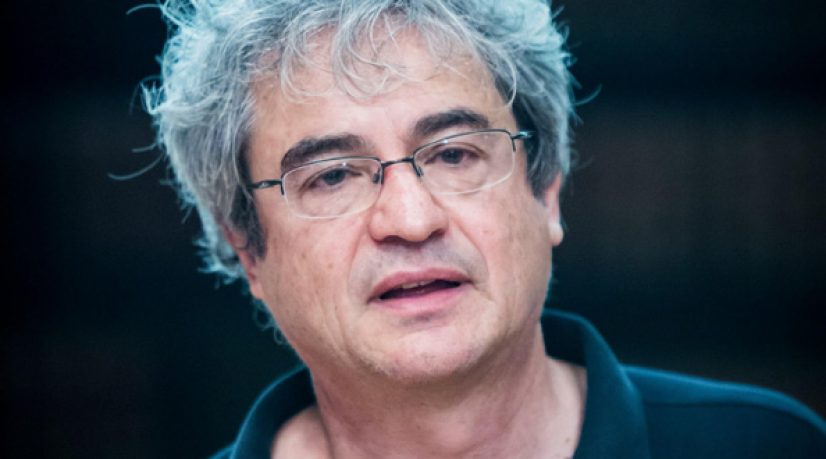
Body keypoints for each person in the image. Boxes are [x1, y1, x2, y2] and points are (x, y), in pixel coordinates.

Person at [143, 0, 826, 457]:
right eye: (333, 176)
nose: (412, 220)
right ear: (248, 249)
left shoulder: (772, 446)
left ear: (546, 189)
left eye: (454, 155)